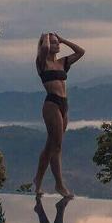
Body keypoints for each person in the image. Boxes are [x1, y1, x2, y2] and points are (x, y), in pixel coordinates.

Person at [33, 31, 85, 197]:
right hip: (52, 104)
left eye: (57, 42)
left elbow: (80, 52)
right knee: (57, 146)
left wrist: (63, 40)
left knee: (50, 146)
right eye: (53, 42)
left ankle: (37, 181)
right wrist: (45, 37)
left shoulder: (62, 62)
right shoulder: (42, 62)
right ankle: (59, 185)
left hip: (64, 105)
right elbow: (44, 49)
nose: (56, 45)